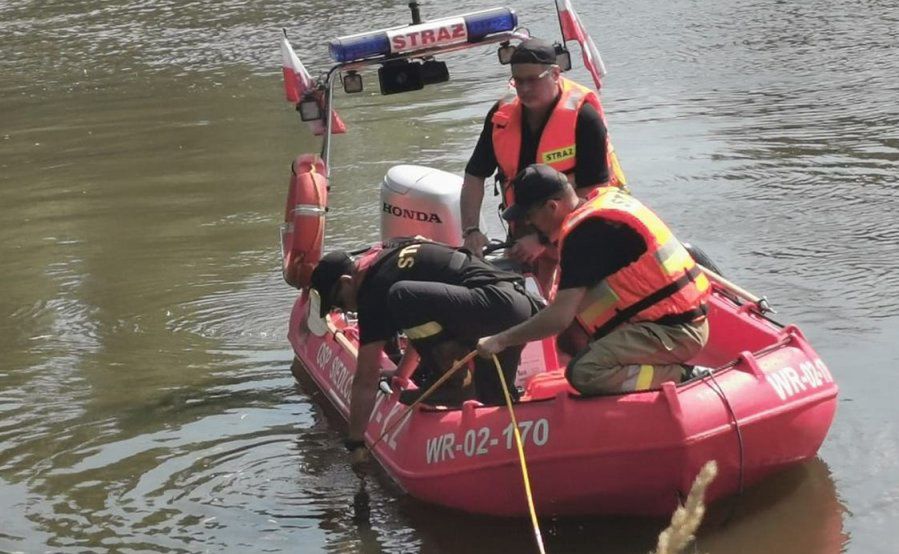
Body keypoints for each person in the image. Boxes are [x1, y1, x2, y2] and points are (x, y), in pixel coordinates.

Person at [477, 164, 710, 395]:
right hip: (672, 319)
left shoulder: (585, 235)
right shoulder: (597, 207)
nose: (528, 224)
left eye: (529, 216)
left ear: (552, 207)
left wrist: (501, 340)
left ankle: (682, 376)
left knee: (584, 372)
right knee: (569, 340)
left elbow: (558, 318)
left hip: (675, 332)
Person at [310, 239, 540, 473]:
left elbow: (365, 377)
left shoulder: (372, 290)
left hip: (491, 309)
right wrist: (401, 374)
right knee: (493, 402)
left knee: (401, 295)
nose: (347, 310)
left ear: (347, 281)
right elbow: (424, 324)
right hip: (513, 305)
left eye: (340, 303)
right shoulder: (391, 259)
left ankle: (454, 383)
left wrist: (356, 443)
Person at [460, 38, 625, 291]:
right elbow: (474, 176)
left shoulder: (584, 118)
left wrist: (543, 239)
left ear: (555, 73)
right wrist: (471, 230)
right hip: (523, 231)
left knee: (576, 307)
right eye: (518, 80)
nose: (524, 88)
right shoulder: (501, 117)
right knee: (523, 302)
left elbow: (595, 192)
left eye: (532, 80)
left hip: (580, 229)